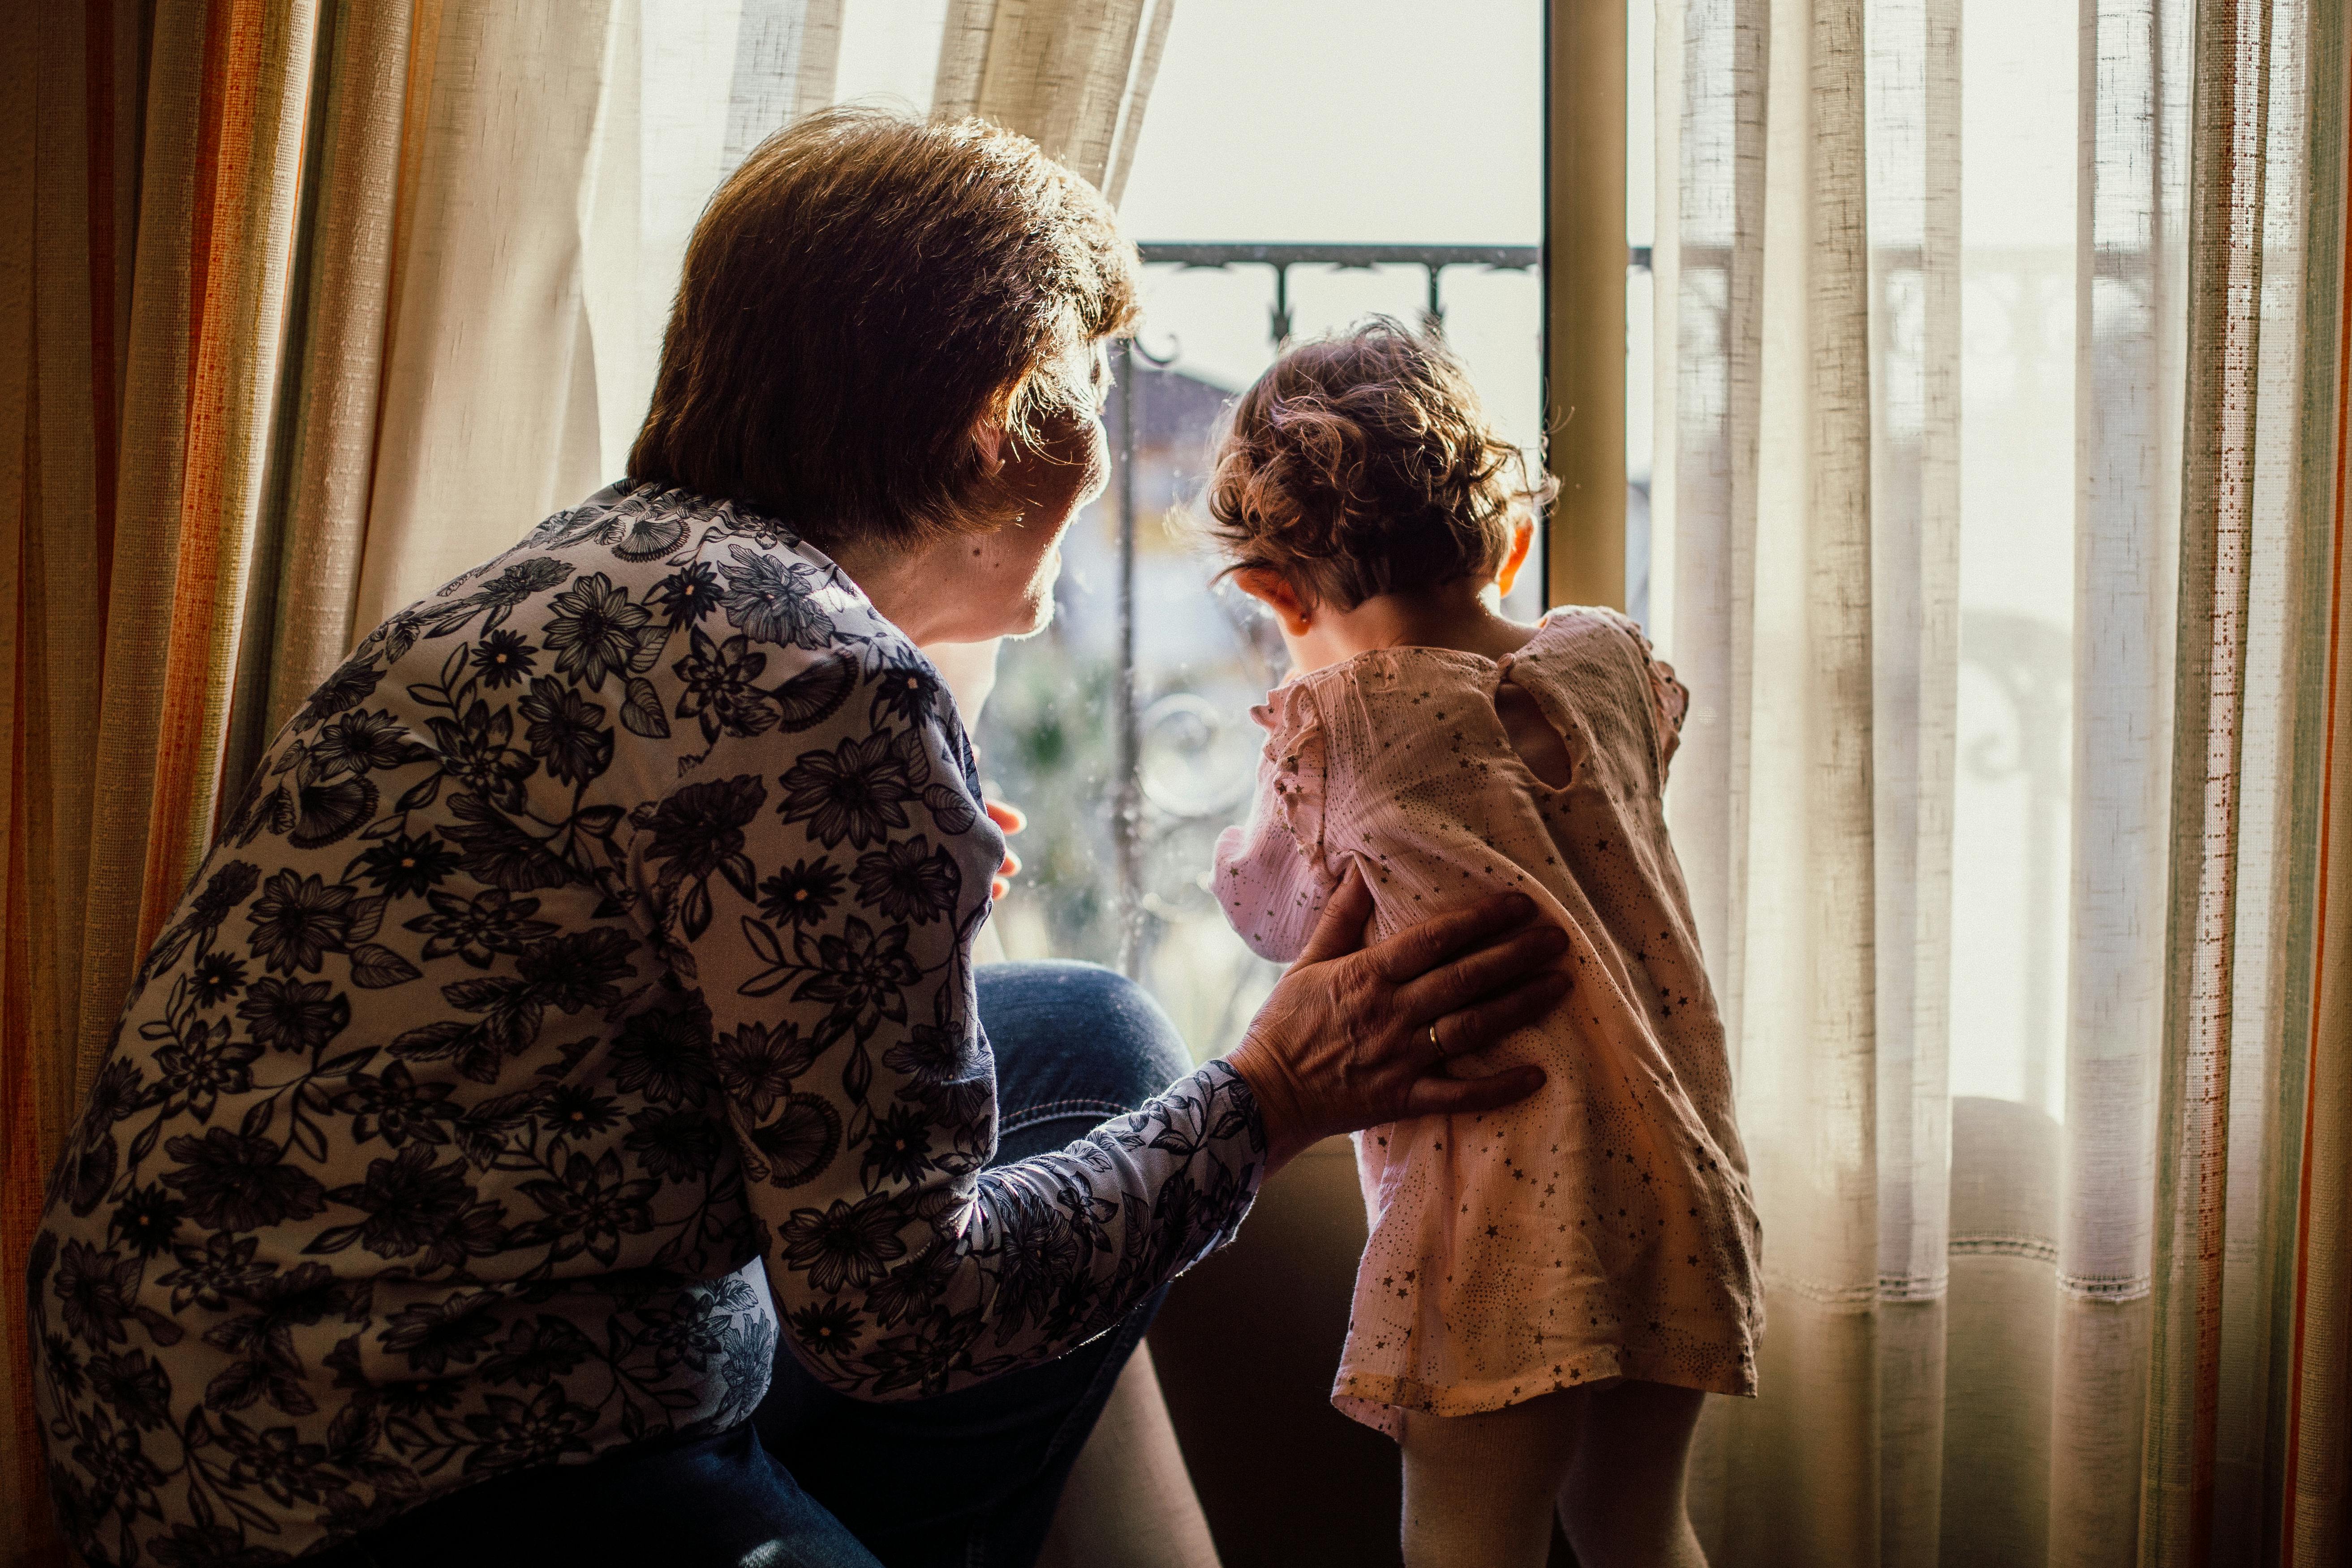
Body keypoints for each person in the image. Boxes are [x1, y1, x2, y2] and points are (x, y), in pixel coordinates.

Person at [25, 116, 1572, 1568]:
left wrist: (886, 905)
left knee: (1088, 1035)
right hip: (409, 1484)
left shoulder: (587, 568)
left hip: (164, 1403)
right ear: (994, 427)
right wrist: (1278, 1093)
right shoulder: (824, 684)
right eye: (1084, 397)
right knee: (1136, 1115)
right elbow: (899, 1312)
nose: (1096, 450)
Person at [1206, 320, 1764, 1568]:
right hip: (1672, 1168)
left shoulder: (1336, 720)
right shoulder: (1605, 658)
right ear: (1509, 540)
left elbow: (1277, 916)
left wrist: (1268, 801)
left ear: (1270, 593)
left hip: (1500, 1219)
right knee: (1635, 1523)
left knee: (1469, 1538)